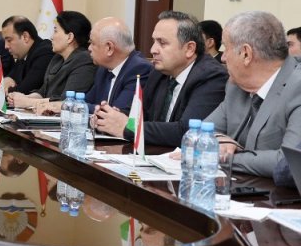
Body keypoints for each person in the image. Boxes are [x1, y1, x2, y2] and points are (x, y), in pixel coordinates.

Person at [94, 11, 228, 147]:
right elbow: (140, 112)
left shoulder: (211, 77)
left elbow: (187, 131)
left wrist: (129, 128)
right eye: (154, 42)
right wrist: (109, 118)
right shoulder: (159, 72)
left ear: (189, 49)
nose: (153, 50)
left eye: (162, 43)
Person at [207, 11, 301, 177]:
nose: (223, 58)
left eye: (226, 48)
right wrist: (220, 141)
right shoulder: (236, 86)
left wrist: (226, 158)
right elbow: (199, 133)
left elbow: (288, 163)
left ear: (246, 54)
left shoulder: (297, 87)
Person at [7, 10, 96, 110]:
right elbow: (43, 92)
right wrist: (24, 98)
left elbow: (67, 102)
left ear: (69, 37)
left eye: (55, 31)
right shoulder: (57, 58)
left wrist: (28, 102)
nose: (51, 37)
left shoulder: (84, 60)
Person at [0, 15, 54, 94]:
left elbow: (24, 90)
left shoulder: (45, 53)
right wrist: (8, 79)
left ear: (25, 37)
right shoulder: (23, 54)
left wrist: (5, 90)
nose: (6, 46)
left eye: (9, 40)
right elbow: (11, 76)